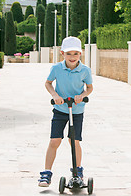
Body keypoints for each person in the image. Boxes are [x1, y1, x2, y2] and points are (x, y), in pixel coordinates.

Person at [38, 36, 93, 187]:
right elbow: (48, 83)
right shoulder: (56, 68)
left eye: (75, 53)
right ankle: (46, 173)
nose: (72, 57)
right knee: (55, 140)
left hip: (77, 110)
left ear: (80, 54)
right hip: (60, 109)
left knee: (74, 141)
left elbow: (89, 88)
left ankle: (78, 171)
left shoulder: (85, 70)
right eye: (69, 54)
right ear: (62, 53)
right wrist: (55, 95)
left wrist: (82, 96)